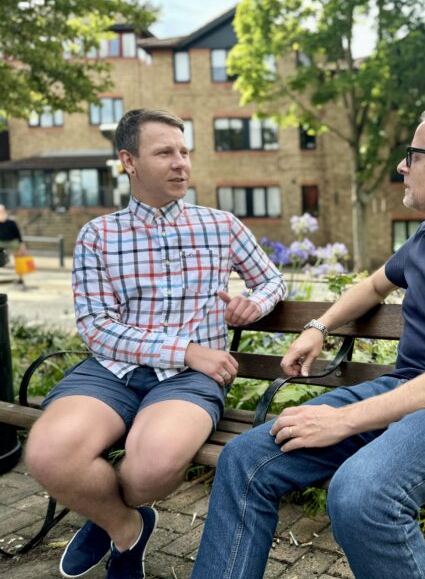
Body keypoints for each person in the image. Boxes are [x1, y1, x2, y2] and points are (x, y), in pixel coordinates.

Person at [191, 104, 425, 579]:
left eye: (412, 154)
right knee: (246, 460)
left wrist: (342, 420)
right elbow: (374, 285)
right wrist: (319, 327)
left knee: (361, 493)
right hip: (407, 390)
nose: (402, 166)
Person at [24, 108, 286, 579]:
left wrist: (253, 303)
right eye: (165, 152)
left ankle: (104, 516)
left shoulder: (220, 226)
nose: (181, 162)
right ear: (129, 161)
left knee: (154, 465)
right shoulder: (98, 236)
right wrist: (184, 349)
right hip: (113, 371)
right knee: (47, 452)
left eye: (184, 152)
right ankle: (126, 528)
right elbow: (96, 327)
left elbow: (272, 282)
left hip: (191, 381)